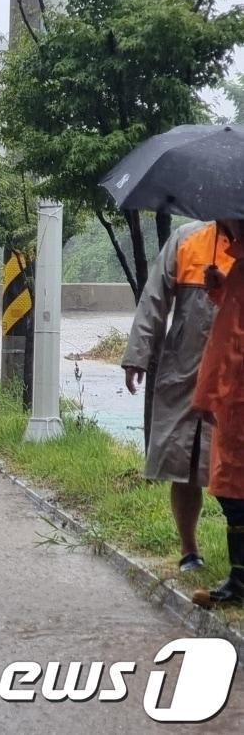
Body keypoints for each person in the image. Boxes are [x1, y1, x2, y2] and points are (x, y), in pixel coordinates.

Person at [123, 220, 237, 572]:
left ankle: (239, 563)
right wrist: (138, 355)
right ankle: (190, 551)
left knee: (235, 468)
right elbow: (154, 297)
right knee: (183, 464)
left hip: (235, 373)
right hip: (185, 370)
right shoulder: (187, 239)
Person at [190, 218, 244, 608]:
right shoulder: (238, 265)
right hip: (232, 394)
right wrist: (220, 289)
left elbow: (233, 344)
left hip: (237, 397)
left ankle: (240, 582)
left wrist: (211, 394)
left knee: (234, 489)